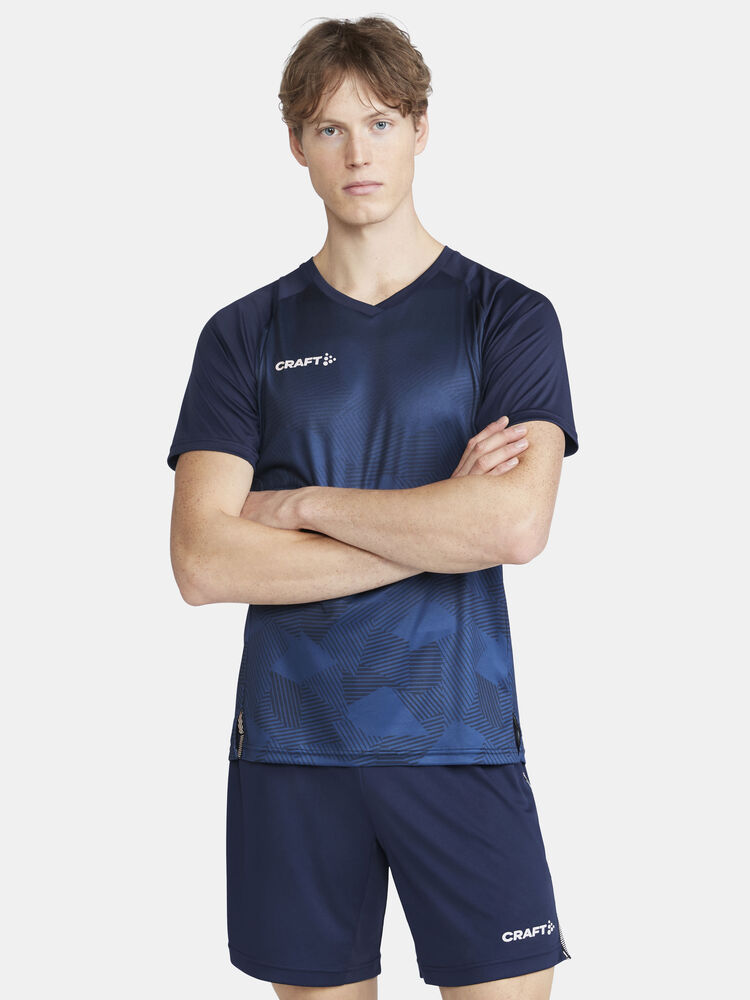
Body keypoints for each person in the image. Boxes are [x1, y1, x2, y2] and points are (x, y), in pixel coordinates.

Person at [167, 15, 579, 1000]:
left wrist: (300, 505)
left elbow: (513, 526)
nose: (358, 153)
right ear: (297, 146)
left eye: (381, 123)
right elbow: (204, 563)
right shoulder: (242, 335)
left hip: (458, 735)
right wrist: (441, 523)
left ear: (421, 129)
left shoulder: (508, 318)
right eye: (330, 129)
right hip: (291, 746)